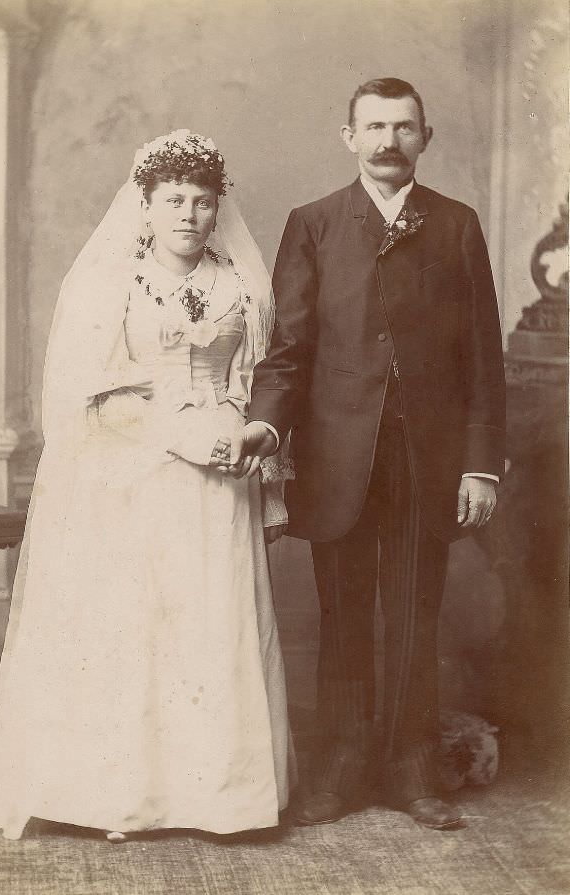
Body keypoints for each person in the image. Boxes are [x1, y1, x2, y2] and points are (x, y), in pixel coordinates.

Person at [0, 130, 295, 841]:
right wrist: (179, 437)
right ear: (144, 206)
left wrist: (250, 452)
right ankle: (123, 795)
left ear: (217, 210)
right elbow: (86, 394)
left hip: (223, 468)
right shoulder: (106, 283)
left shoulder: (240, 283)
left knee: (208, 625)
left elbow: (259, 380)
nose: (188, 214)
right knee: (139, 623)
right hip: (133, 468)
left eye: (202, 202)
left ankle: (216, 798)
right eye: (173, 199)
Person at [233, 78, 506, 830]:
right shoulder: (314, 223)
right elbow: (288, 350)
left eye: (404, 127)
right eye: (375, 127)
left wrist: (480, 464)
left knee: (416, 611)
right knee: (344, 612)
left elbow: (485, 355)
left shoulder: (455, 225)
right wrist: (264, 427)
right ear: (347, 136)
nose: (389, 141)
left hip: (430, 455)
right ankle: (343, 765)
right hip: (337, 455)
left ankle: (413, 767)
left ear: (426, 137)